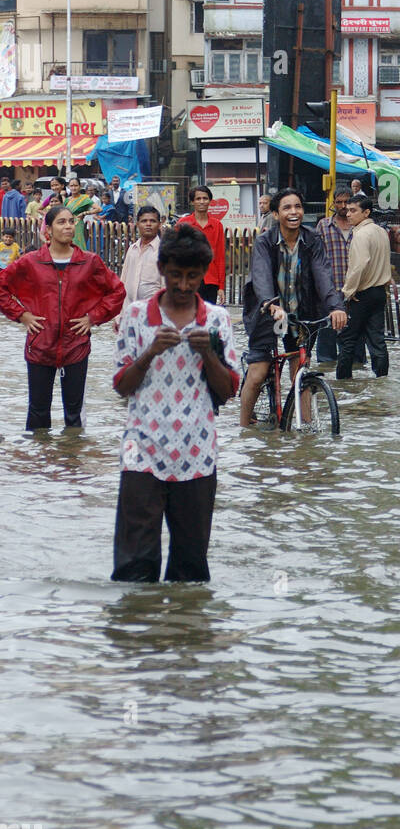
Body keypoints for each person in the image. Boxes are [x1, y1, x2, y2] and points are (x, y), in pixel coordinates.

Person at [111, 223, 241, 583]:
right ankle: (139, 631)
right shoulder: (136, 316)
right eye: (175, 276)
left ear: (203, 276)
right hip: (142, 451)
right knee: (134, 565)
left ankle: (186, 631)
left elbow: (229, 389)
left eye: (192, 278)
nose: (183, 286)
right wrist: (150, 351)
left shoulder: (216, 320)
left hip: (196, 452)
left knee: (191, 566)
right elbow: (121, 385)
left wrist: (209, 356)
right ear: (163, 270)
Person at [0, 203, 125, 430]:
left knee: (74, 415)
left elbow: (117, 292)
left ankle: (72, 459)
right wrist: (22, 315)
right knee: (37, 412)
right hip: (40, 345)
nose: (68, 226)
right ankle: (39, 461)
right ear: (47, 229)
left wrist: (92, 318)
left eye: (71, 221)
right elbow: (2, 286)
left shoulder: (89, 261)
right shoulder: (31, 261)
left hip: (76, 346)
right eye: (61, 222)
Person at [239, 187, 347, 426]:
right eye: (287, 207)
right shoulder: (264, 242)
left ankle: (304, 425)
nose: (293, 211)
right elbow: (261, 277)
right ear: (276, 214)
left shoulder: (312, 240)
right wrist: (271, 305)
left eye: (297, 206)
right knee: (258, 372)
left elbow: (324, 277)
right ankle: (244, 426)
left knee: (301, 368)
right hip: (267, 313)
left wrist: (336, 307)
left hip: (301, 313)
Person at [336, 192, 392, 380]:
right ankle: (382, 379)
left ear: (366, 212)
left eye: (353, 210)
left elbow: (358, 266)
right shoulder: (381, 232)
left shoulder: (360, 235)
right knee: (377, 340)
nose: (348, 214)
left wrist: (347, 292)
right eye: (348, 210)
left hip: (361, 294)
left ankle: (343, 383)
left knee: (348, 340)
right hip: (379, 292)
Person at [315, 187, 353, 360]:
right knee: (326, 341)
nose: (343, 206)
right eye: (339, 202)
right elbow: (315, 258)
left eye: (347, 202)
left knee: (353, 343)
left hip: (354, 292)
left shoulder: (360, 226)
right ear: (334, 204)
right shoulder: (324, 226)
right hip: (329, 290)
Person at [176, 185, 225, 304]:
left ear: (210, 201)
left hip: (211, 280)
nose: (202, 202)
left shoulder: (217, 225)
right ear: (192, 202)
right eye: (198, 199)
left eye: (205, 198)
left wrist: (221, 286)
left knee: (208, 318)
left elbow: (220, 256)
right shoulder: (183, 224)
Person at [117, 205, 162, 325]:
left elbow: (166, 286)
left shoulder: (164, 252)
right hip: (130, 314)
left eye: (152, 221)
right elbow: (123, 282)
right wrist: (119, 315)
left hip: (154, 314)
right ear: (137, 225)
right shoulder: (132, 249)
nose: (148, 224)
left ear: (159, 224)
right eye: (144, 221)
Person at [65, 176, 95, 249]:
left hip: (78, 224)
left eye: (76, 185)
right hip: (67, 224)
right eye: (71, 186)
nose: (73, 188)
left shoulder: (84, 198)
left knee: (78, 243)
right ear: (69, 187)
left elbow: (98, 209)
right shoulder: (67, 200)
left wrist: (84, 213)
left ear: (80, 186)